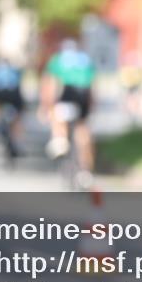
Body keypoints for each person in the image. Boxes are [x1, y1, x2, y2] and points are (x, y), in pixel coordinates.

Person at [41, 38, 96, 187]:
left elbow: (50, 85)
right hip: (83, 95)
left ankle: (60, 138)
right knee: (82, 129)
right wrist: (91, 106)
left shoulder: (57, 61)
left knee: (58, 115)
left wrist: (47, 107)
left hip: (68, 93)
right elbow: (91, 86)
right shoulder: (85, 60)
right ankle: (85, 171)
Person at [0, 57, 25, 160]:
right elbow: (19, 84)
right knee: (18, 116)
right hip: (14, 94)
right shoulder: (15, 70)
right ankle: (17, 139)